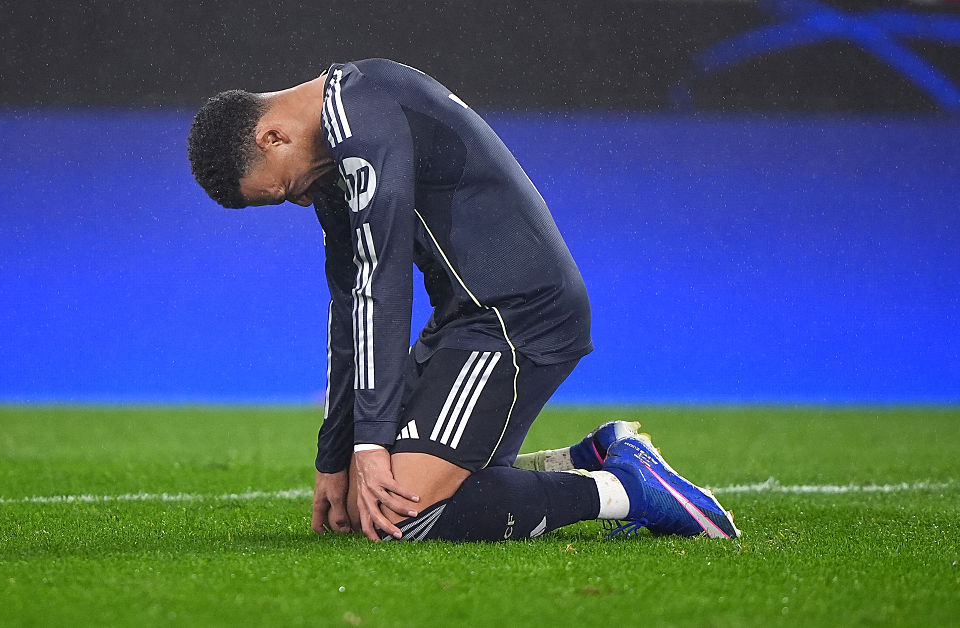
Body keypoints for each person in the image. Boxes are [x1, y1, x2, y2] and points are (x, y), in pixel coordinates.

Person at [187, 58, 740, 542]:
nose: (301, 202)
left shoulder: (362, 113)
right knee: (369, 505)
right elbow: (351, 301)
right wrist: (335, 455)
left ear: (272, 138)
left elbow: (383, 283)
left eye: (283, 190)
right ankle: (586, 458)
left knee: (403, 514)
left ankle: (626, 489)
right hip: (465, 320)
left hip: (520, 317)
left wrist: (370, 444)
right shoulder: (334, 152)